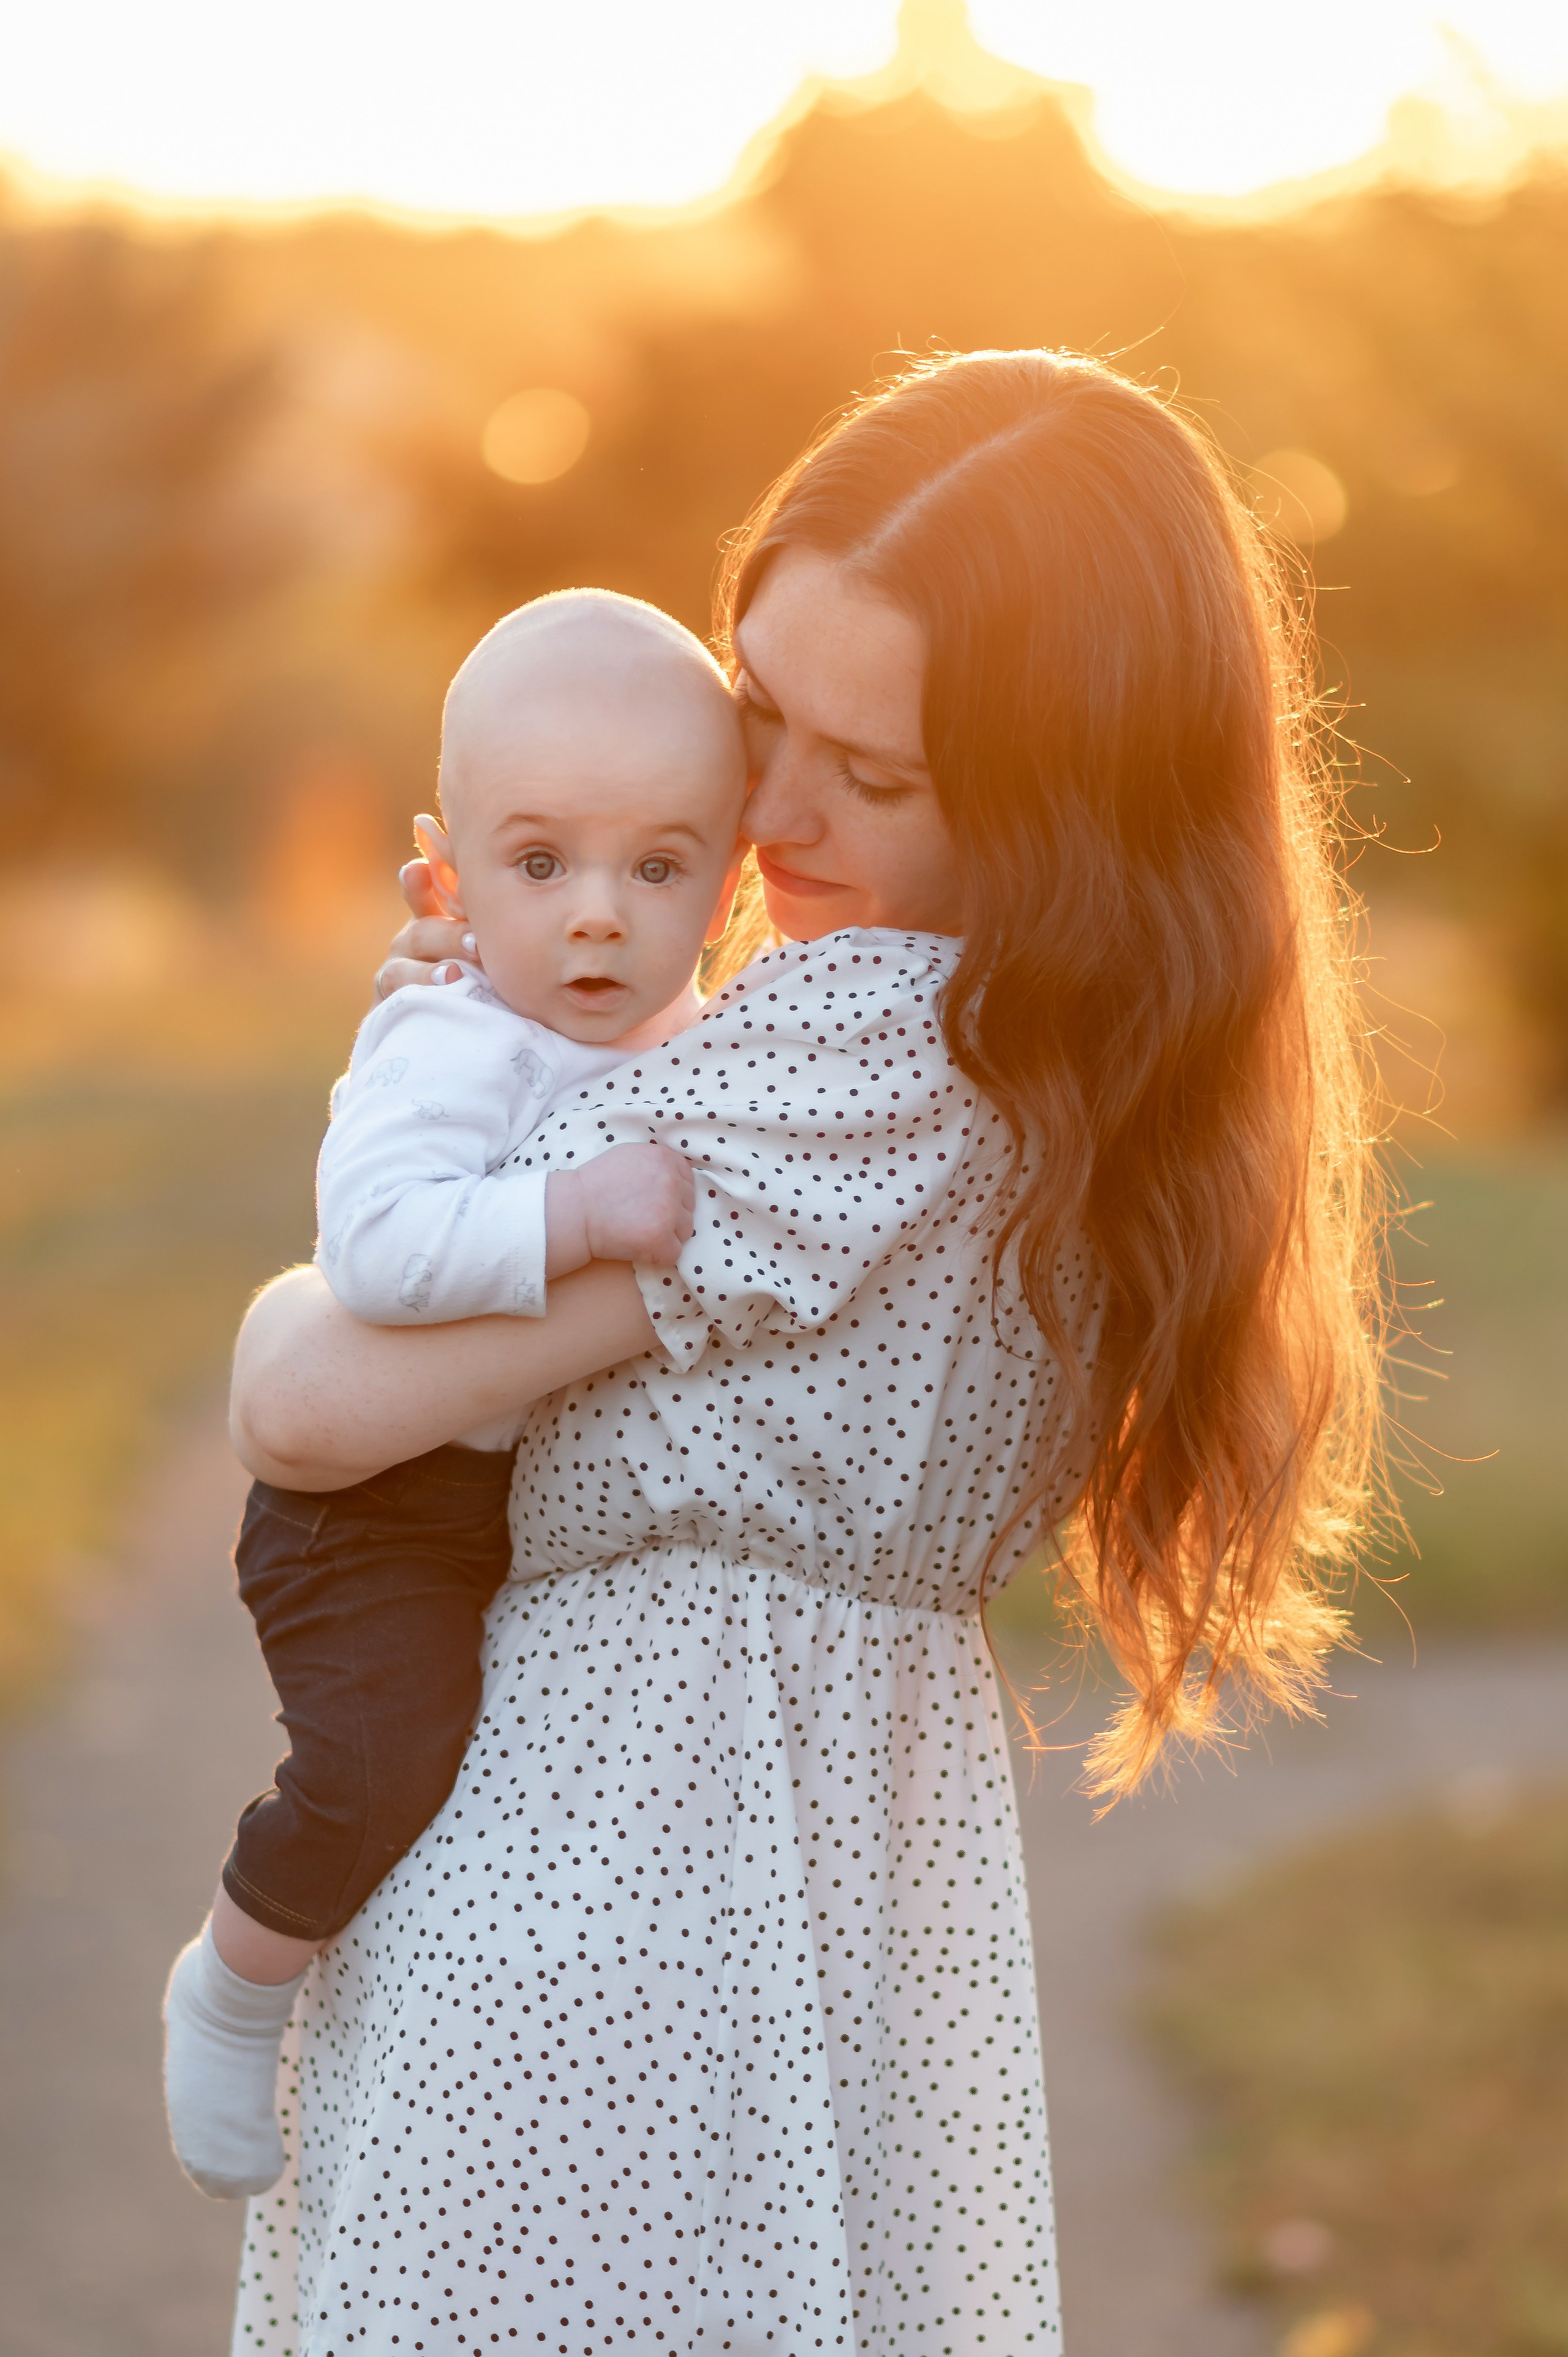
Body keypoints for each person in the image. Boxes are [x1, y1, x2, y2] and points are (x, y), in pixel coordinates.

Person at [224, 349, 1383, 2355]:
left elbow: (311, 1402)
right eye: (764, 711)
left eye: (884, 772)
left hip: (610, 1945)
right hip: (811, 1931)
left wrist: (407, 1095)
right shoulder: (1066, 1067)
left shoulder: (868, 1047)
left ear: (1067, 803)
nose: (767, 806)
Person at [163, 592, 746, 2200]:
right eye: (540, 864)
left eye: (659, 868)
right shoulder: (448, 1031)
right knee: (386, 1754)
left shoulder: (693, 1033)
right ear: (447, 874)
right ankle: (234, 1980)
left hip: (503, 1502)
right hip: (377, 1514)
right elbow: (379, 1245)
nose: (596, 922)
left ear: (731, 875)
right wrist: (577, 1219)